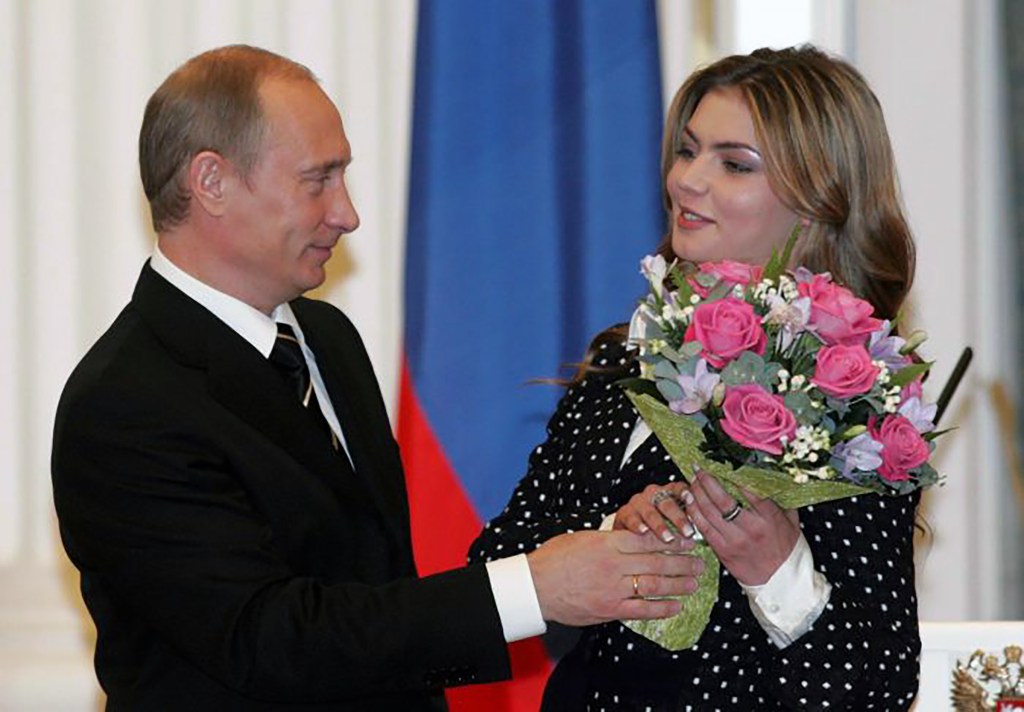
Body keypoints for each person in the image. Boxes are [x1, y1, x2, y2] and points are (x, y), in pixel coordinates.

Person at [50, 45, 705, 711]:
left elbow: (372, 590)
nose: (347, 213)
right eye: (318, 180)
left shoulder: (327, 341)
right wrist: (535, 589)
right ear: (211, 182)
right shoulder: (124, 402)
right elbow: (270, 640)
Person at [470, 45, 920, 711]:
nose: (686, 180)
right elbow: (495, 565)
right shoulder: (629, 356)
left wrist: (778, 570)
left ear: (818, 200)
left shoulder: (857, 395)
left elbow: (876, 685)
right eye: (687, 151)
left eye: (734, 163)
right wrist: (609, 536)